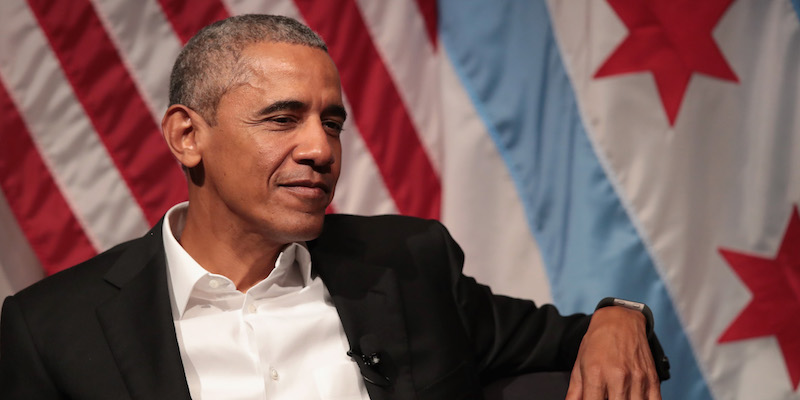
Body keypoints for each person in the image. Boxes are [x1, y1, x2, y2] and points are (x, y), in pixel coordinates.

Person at [0, 14, 669, 400]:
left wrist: (621, 315)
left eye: (332, 122)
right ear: (187, 135)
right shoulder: (53, 328)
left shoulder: (408, 266)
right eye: (282, 118)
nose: (321, 149)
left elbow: (572, 341)